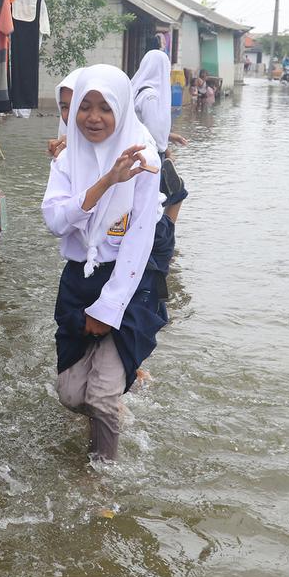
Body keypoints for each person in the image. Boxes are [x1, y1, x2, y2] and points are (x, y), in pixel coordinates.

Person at [41, 65, 174, 462]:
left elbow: (139, 243)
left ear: (121, 111)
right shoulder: (67, 159)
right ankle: (115, 399)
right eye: (85, 107)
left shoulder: (143, 159)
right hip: (78, 282)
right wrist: (105, 183)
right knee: (69, 393)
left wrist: (110, 308)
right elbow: (54, 221)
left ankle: (102, 488)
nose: (93, 117)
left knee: (99, 399)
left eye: (105, 108)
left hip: (127, 285)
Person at [131, 49, 189, 223]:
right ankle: (165, 238)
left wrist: (170, 136)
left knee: (143, 201)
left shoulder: (136, 90)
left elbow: (141, 125)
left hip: (134, 153)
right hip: (150, 156)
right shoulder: (151, 96)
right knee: (176, 193)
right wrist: (167, 151)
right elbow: (154, 133)